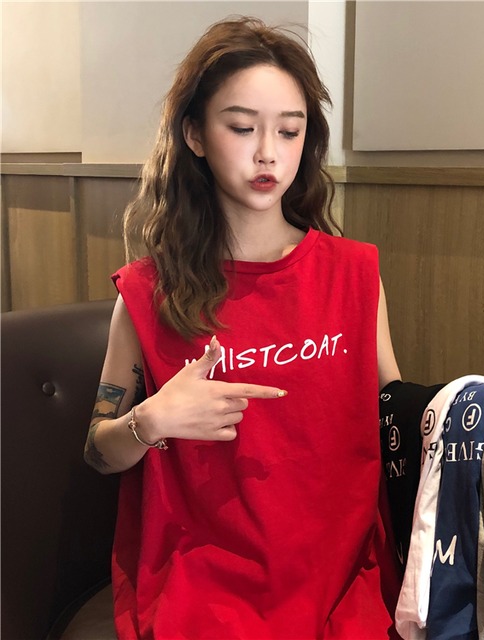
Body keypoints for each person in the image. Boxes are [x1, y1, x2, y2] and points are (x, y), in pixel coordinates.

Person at [85, 16, 402, 639]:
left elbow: (393, 413)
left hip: (343, 575)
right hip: (206, 585)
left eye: (289, 130)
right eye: (241, 127)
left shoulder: (354, 274)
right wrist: (151, 420)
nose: (268, 153)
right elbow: (98, 451)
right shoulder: (149, 293)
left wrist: (471, 418)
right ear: (195, 135)